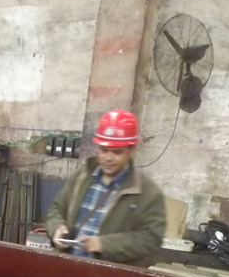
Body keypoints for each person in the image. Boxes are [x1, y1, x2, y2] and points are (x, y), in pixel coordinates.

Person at [44, 109, 166, 266]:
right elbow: (57, 208)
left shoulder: (148, 193)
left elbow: (152, 238)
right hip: (67, 268)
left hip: (107, 276)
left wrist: (104, 244)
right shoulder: (82, 175)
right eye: (104, 150)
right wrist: (57, 228)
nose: (108, 158)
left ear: (132, 150)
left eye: (117, 152)